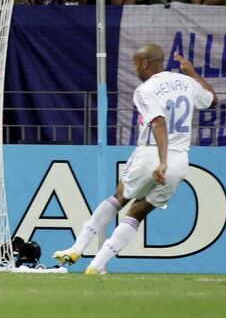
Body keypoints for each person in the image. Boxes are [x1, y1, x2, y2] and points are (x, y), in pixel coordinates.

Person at [53, 44, 215, 274]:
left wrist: (162, 161)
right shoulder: (188, 83)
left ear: (145, 63)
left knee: (120, 197)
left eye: (135, 63)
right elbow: (212, 100)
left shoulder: (145, 90)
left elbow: (158, 121)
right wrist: (191, 72)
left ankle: (77, 248)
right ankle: (97, 265)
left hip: (152, 153)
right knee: (138, 213)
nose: (135, 68)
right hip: (180, 161)